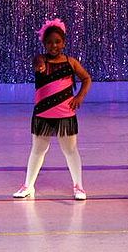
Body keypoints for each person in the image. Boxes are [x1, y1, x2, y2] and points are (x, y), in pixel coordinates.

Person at [13, 18, 92, 200]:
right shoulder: (41, 59)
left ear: (64, 42)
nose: (53, 45)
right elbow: (37, 61)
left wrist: (79, 97)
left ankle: (78, 186)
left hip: (65, 113)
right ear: (44, 43)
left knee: (70, 150)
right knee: (38, 149)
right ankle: (28, 185)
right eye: (49, 42)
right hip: (43, 114)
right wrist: (40, 64)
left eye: (57, 41)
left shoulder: (71, 62)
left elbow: (87, 78)